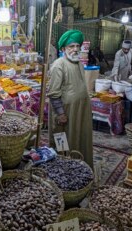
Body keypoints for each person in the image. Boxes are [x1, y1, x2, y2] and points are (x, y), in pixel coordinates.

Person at [46, 29, 93, 169]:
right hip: (65, 113)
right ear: (63, 49)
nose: (75, 49)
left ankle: (81, 166)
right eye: (71, 46)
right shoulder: (58, 65)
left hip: (79, 111)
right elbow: (54, 93)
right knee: (63, 141)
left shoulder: (79, 63)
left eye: (77, 46)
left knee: (79, 137)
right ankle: (63, 169)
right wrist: (60, 113)